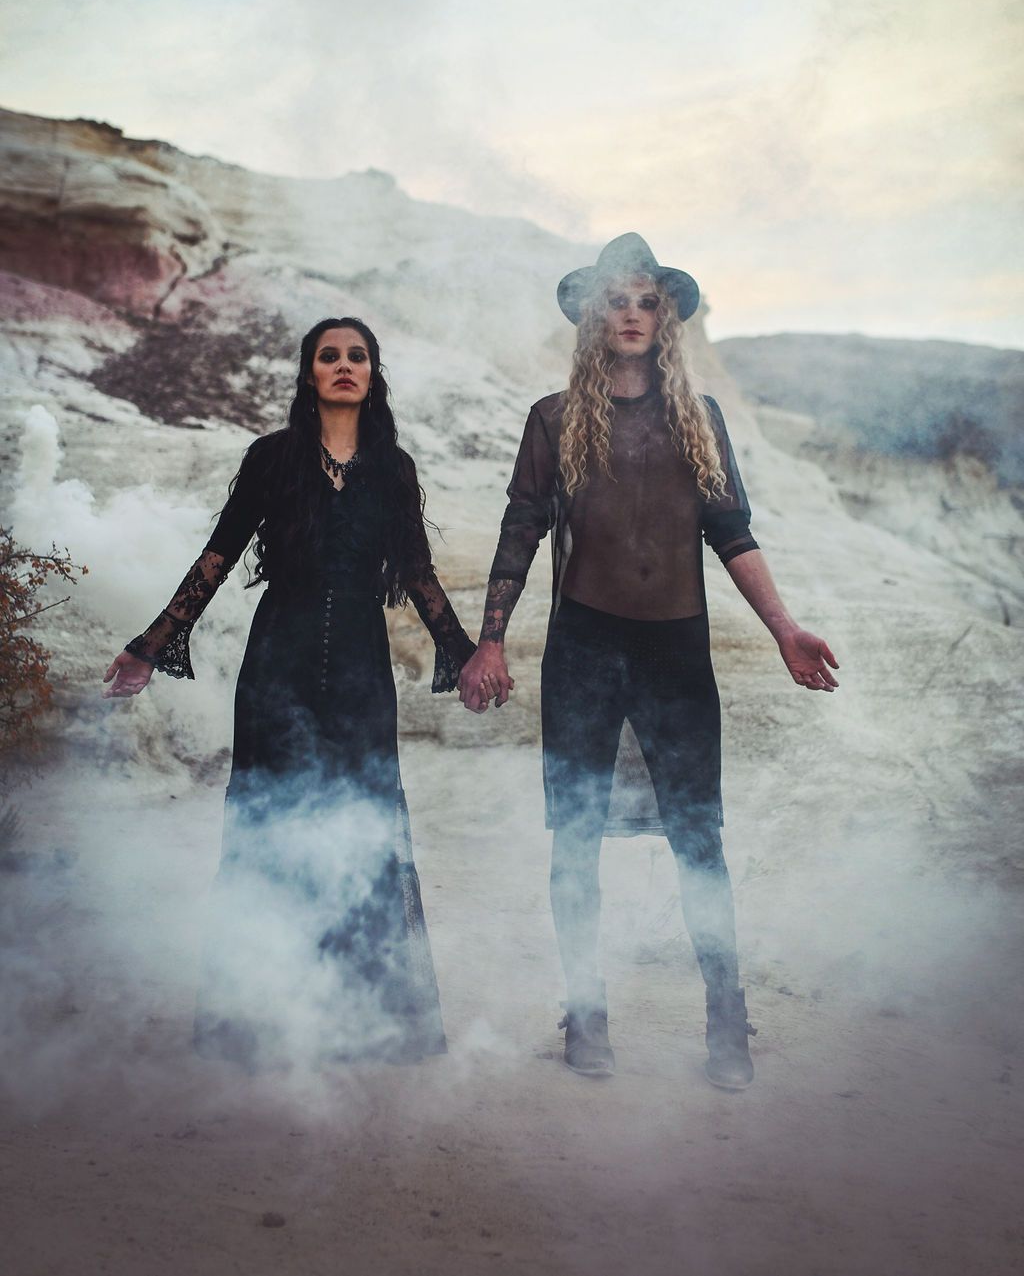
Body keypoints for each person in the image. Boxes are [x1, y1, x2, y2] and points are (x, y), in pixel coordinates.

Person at [458, 234, 838, 1089]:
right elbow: (520, 529)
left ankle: (727, 1020)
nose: (630, 313)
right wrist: (491, 638)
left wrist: (783, 628)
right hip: (584, 647)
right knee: (576, 841)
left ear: (664, 319)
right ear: (594, 316)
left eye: (645, 301)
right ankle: (585, 1014)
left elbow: (731, 530)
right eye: (615, 300)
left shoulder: (699, 417)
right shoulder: (554, 417)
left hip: (675, 648)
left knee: (699, 841)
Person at [104, 316, 476, 1070]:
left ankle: (359, 1013)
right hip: (280, 662)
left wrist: (464, 654)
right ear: (309, 373)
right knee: (273, 826)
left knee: (364, 828)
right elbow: (217, 557)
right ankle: (261, 1011)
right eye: (328, 355)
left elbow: (417, 571)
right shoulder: (272, 459)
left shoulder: (392, 468)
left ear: (373, 374)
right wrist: (152, 643)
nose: (343, 365)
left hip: (363, 672)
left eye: (357, 356)